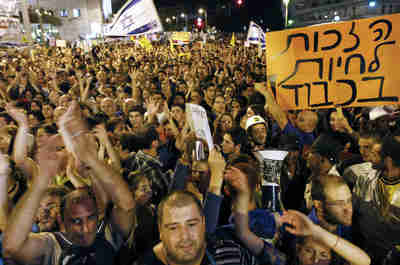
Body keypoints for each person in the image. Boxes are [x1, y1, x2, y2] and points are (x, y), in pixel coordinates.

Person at [3, 102, 136, 265]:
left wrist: (90, 157)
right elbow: (12, 248)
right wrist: (41, 180)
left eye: (91, 218)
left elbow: (127, 205)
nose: (86, 228)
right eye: (76, 221)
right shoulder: (52, 245)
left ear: (98, 215)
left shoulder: (106, 235)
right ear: (62, 219)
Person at [135, 190, 259, 265]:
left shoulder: (231, 255)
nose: (185, 236)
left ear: (203, 223)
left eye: (192, 224)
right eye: (173, 228)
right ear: (160, 231)